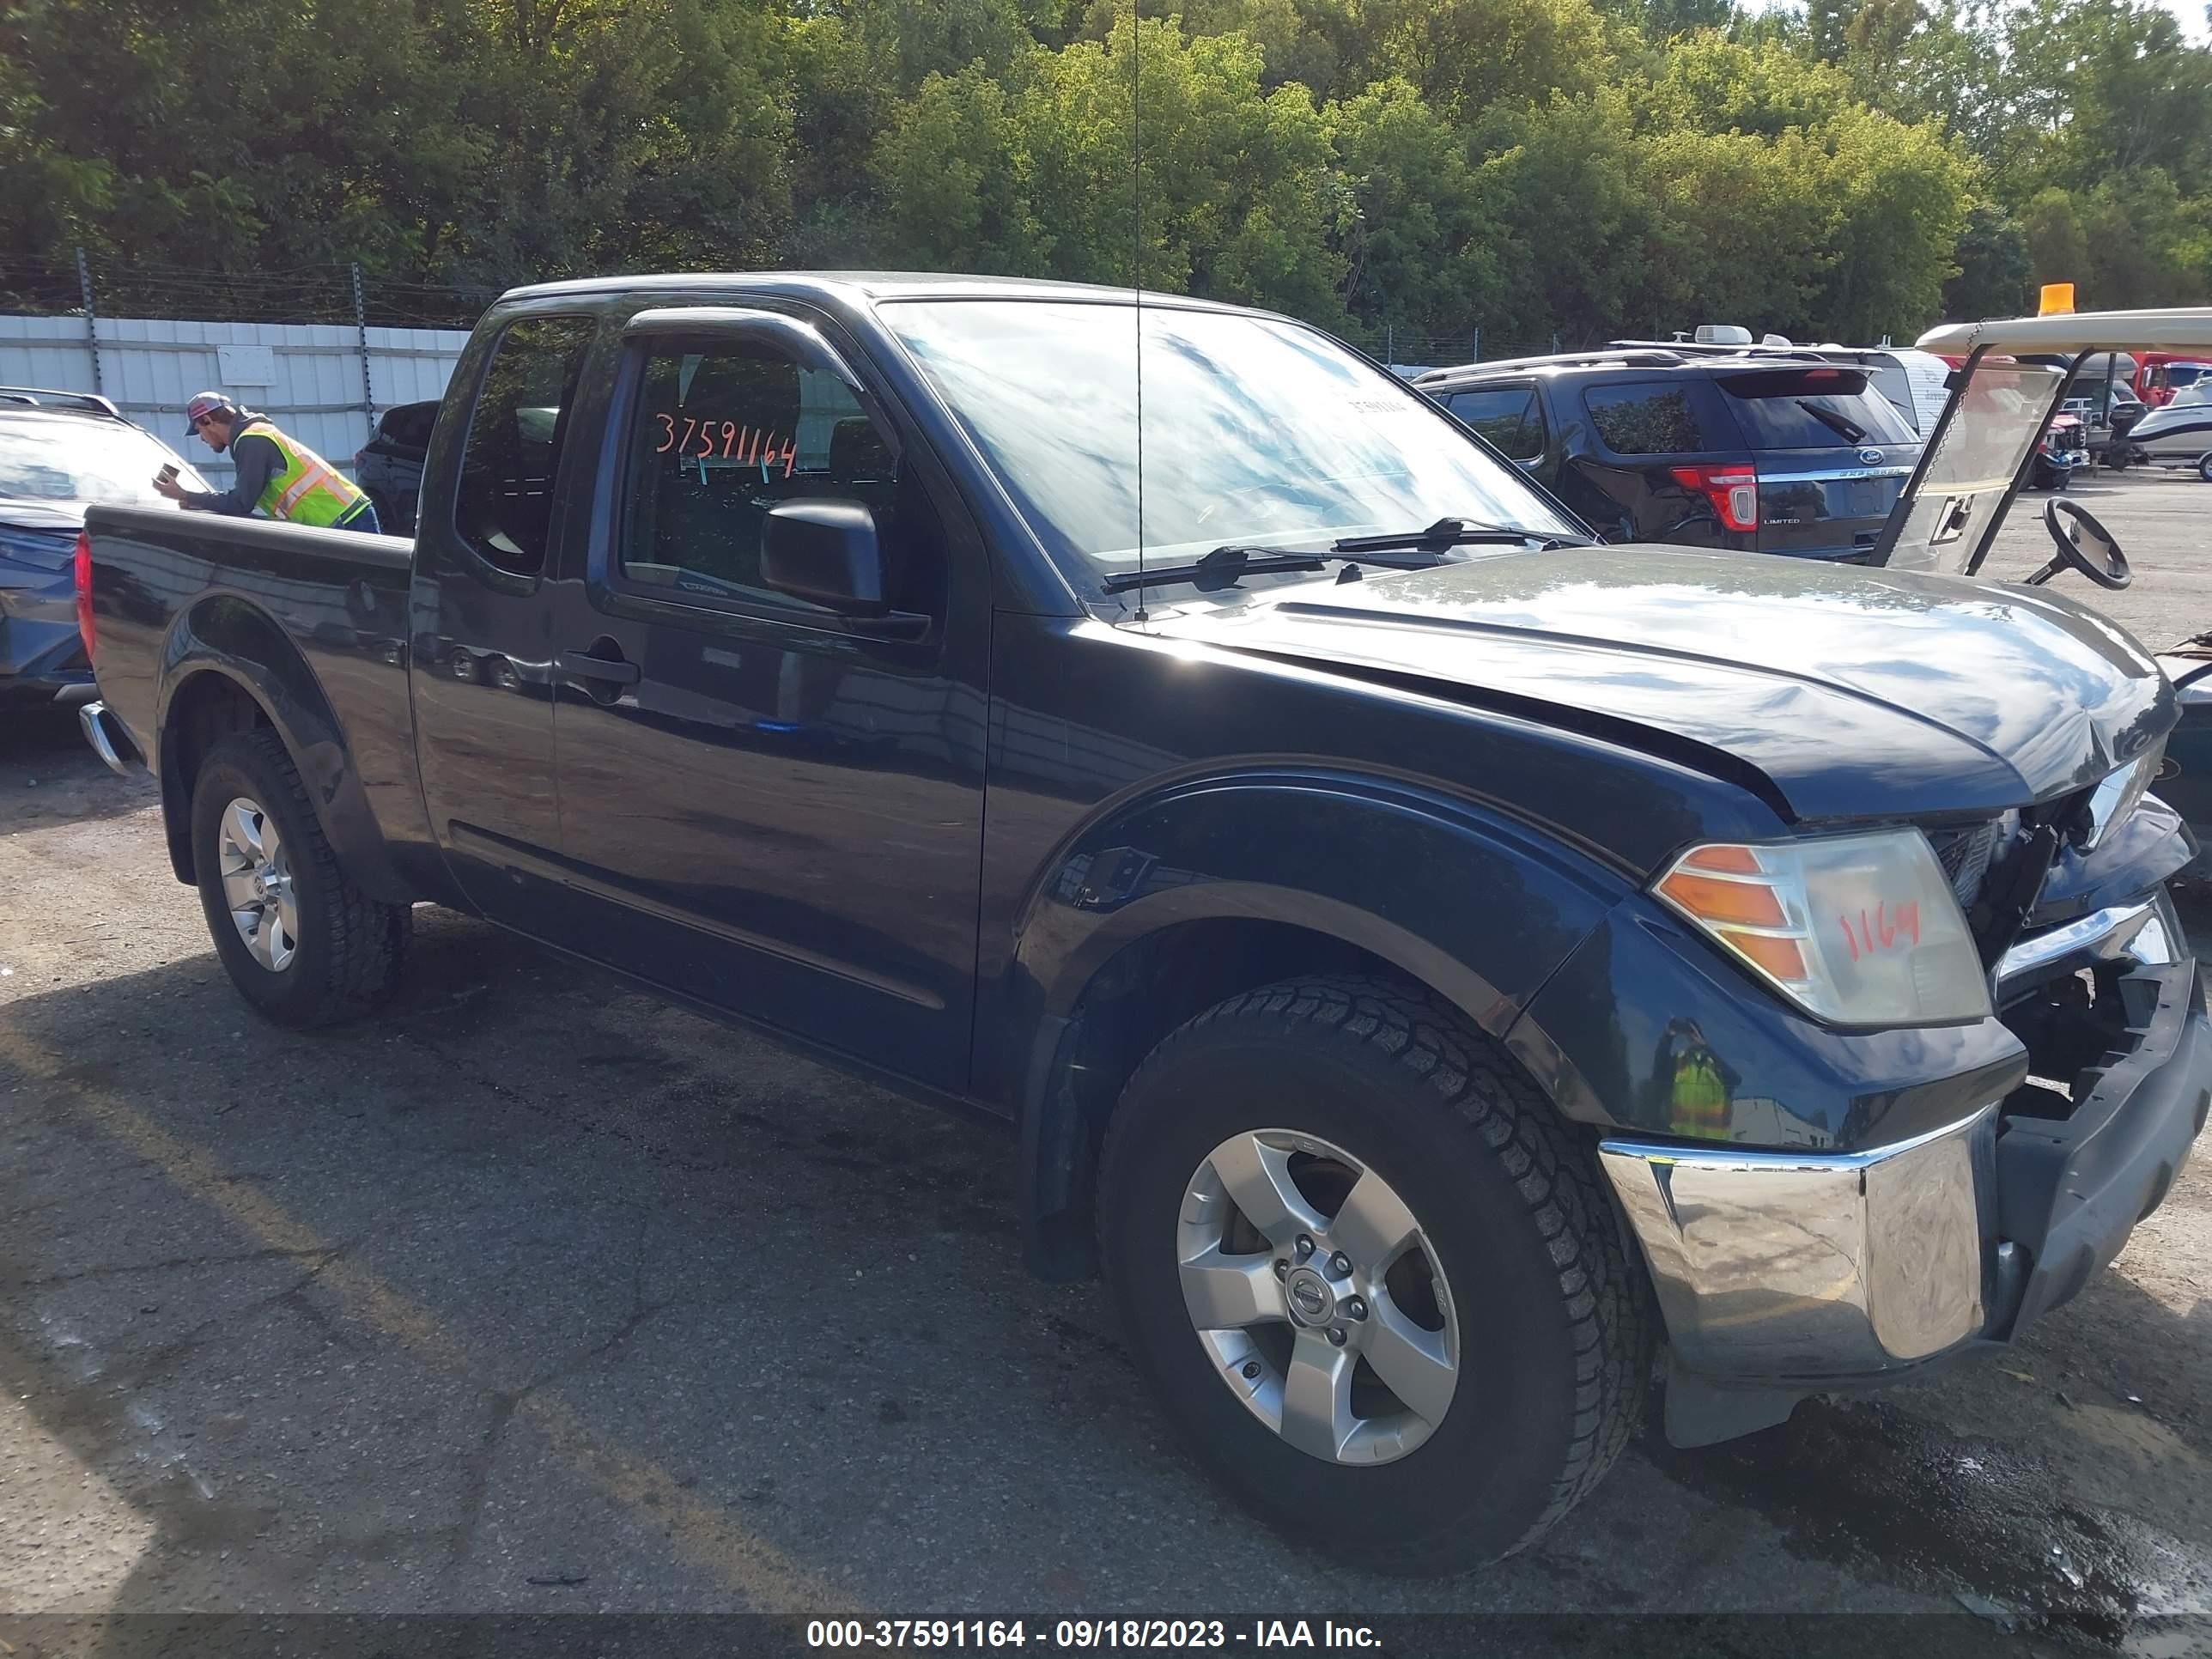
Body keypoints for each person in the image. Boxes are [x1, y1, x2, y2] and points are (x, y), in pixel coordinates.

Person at [152, 391, 380, 533]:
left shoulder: (252, 441)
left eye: (199, 431)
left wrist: (185, 495)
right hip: (344, 517)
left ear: (207, 420)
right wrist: (198, 503)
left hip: (344, 521)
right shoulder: (255, 435)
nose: (201, 439)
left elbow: (241, 503)